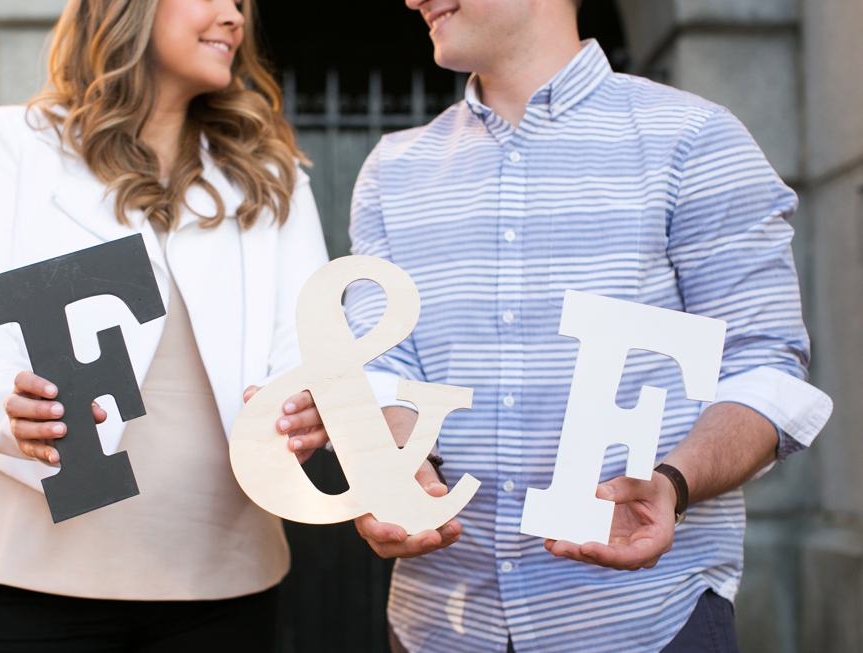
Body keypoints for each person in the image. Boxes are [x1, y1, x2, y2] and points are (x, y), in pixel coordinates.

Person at [343, 0, 834, 651]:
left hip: (648, 624)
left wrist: (673, 483)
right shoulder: (390, 172)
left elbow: (762, 370)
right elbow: (382, 369)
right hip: (438, 627)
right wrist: (393, 468)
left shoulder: (695, 140)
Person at [0, 0, 328, 650]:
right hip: (28, 576)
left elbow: (306, 346)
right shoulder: (16, 143)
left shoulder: (270, 176)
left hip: (220, 586)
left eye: (241, 5)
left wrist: (307, 407)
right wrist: (4, 396)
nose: (234, 17)